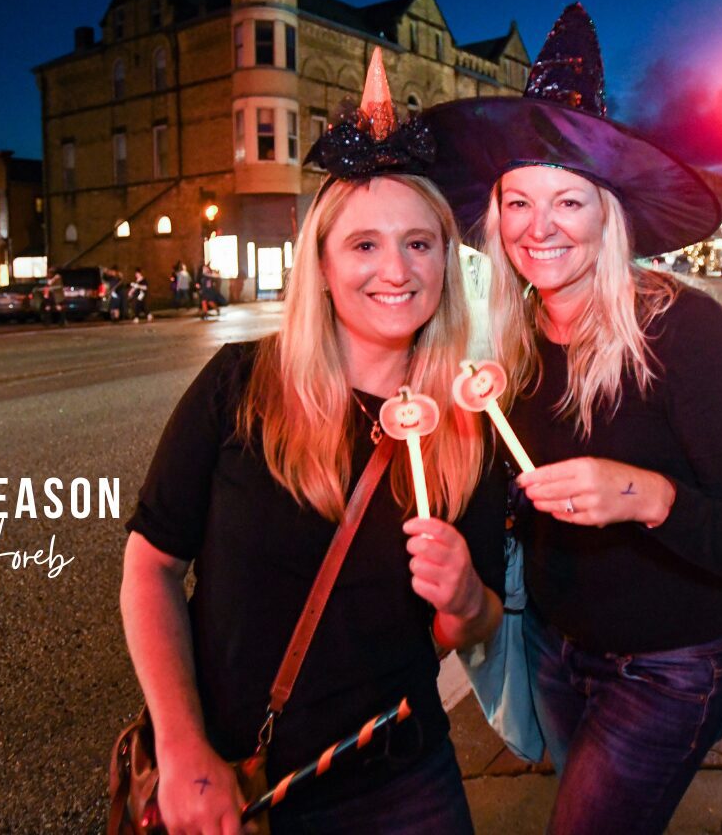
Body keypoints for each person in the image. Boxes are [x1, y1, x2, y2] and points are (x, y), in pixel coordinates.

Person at [120, 49, 504, 835]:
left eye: (419, 243)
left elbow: (467, 624)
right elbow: (151, 565)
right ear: (322, 265)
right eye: (364, 244)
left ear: (444, 258)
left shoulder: (470, 421)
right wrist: (184, 745)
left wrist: (466, 602)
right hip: (234, 779)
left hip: (403, 775)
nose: (395, 269)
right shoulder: (241, 386)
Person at [426, 4, 722, 835]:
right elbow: (511, 503)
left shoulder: (686, 331)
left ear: (608, 215)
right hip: (555, 651)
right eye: (518, 202)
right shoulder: (516, 344)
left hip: (671, 666)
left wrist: (646, 493)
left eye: (568, 202)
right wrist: (468, 427)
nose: (538, 228)